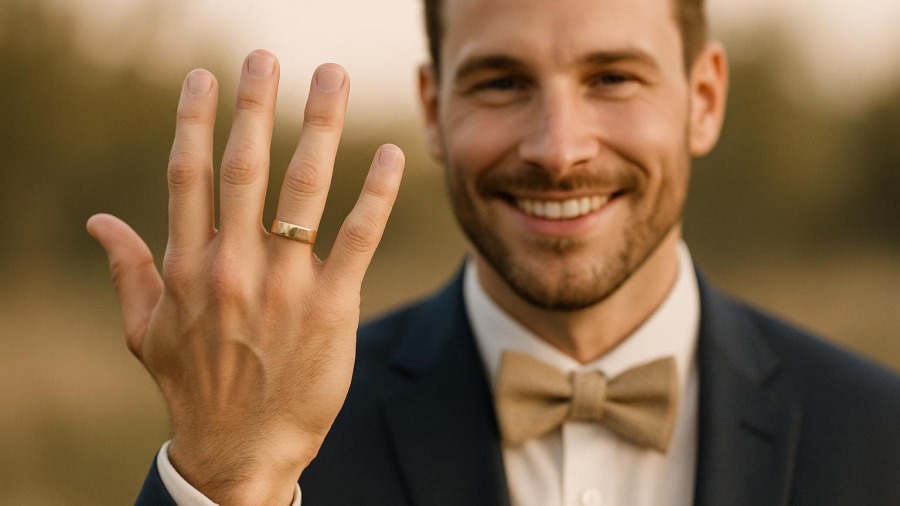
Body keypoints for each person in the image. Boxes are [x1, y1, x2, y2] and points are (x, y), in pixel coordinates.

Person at [87, 0, 900, 504]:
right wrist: (228, 481)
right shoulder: (291, 431)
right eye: (503, 83)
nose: (558, 149)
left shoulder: (879, 433)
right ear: (434, 110)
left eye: (613, 77)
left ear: (704, 99)